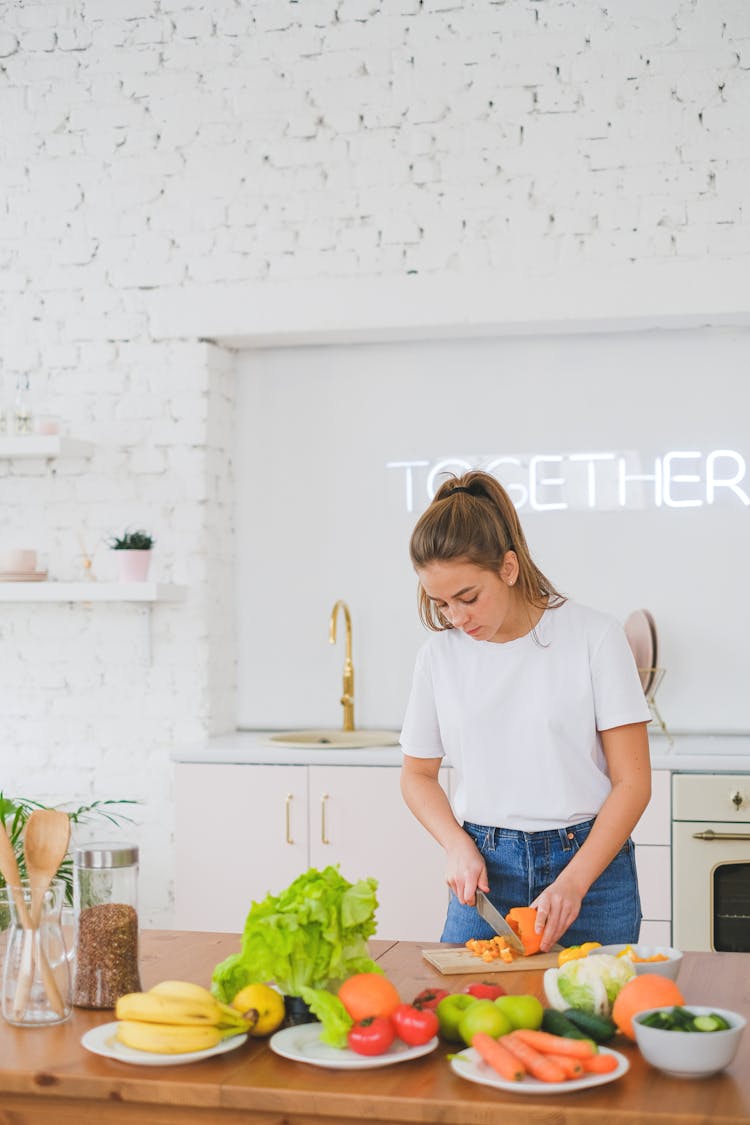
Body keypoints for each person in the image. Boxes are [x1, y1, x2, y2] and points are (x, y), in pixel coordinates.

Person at [399, 469, 652, 952]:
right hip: (486, 871)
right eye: (442, 602)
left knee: (593, 1018)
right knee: (469, 1018)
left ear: (509, 568)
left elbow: (633, 782)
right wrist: (456, 845)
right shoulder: (439, 656)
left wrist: (574, 882)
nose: (456, 617)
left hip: (592, 870)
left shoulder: (594, 637)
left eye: (468, 598)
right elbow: (417, 775)